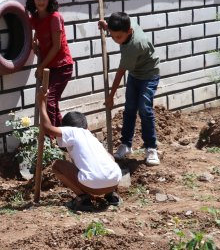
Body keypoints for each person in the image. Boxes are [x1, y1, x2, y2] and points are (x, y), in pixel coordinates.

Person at [37, 86, 123, 211]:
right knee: (109, 157)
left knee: (57, 166)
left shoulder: (73, 131)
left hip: (93, 186)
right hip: (114, 180)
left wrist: (42, 103)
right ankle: (111, 196)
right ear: (86, 126)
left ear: (66, 127)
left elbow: (48, 128)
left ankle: (83, 198)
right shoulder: (90, 136)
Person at [99, 12, 161, 166]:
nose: (115, 40)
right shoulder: (127, 24)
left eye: (118, 37)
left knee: (144, 109)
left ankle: (151, 148)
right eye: (112, 36)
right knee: (130, 108)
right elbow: (118, 29)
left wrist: (111, 96)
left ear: (129, 32)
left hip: (149, 74)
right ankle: (126, 145)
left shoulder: (133, 46)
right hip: (135, 74)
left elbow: (120, 73)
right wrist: (107, 27)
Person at [25, 0, 74, 127]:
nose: (41, 1)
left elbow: (56, 47)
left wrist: (41, 67)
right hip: (49, 66)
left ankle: (51, 139)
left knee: (49, 101)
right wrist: (35, 43)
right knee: (52, 103)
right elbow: (37, 32)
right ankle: (61, 138)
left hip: (62, 66)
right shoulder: (35, 18)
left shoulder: (54, 17)